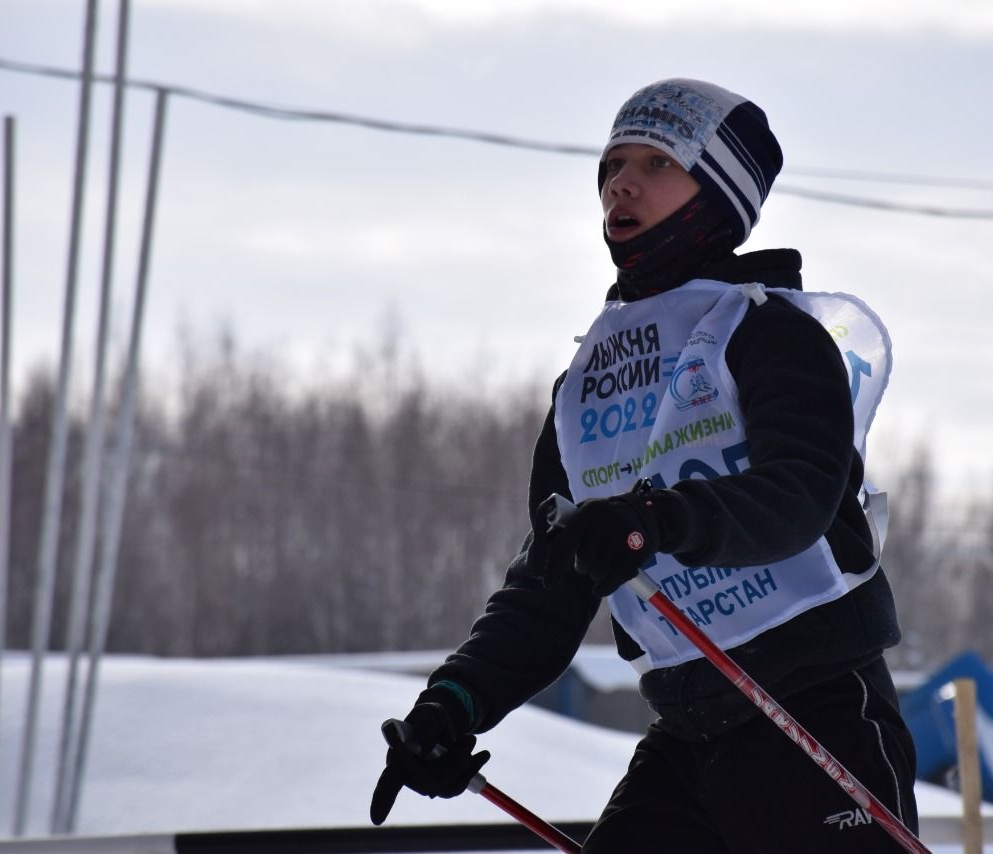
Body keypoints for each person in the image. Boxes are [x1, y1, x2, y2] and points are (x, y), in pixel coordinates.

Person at [369, 78, 918, 852]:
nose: (620, 182)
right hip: (690, 732)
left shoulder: (771, 333)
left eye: (658, 163)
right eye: (612, 165)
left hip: (814, 708)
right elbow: (554, 578)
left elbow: (796, 499)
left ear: (718, 194)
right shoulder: (586, 382)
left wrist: (649, 523)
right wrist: (454, 702)